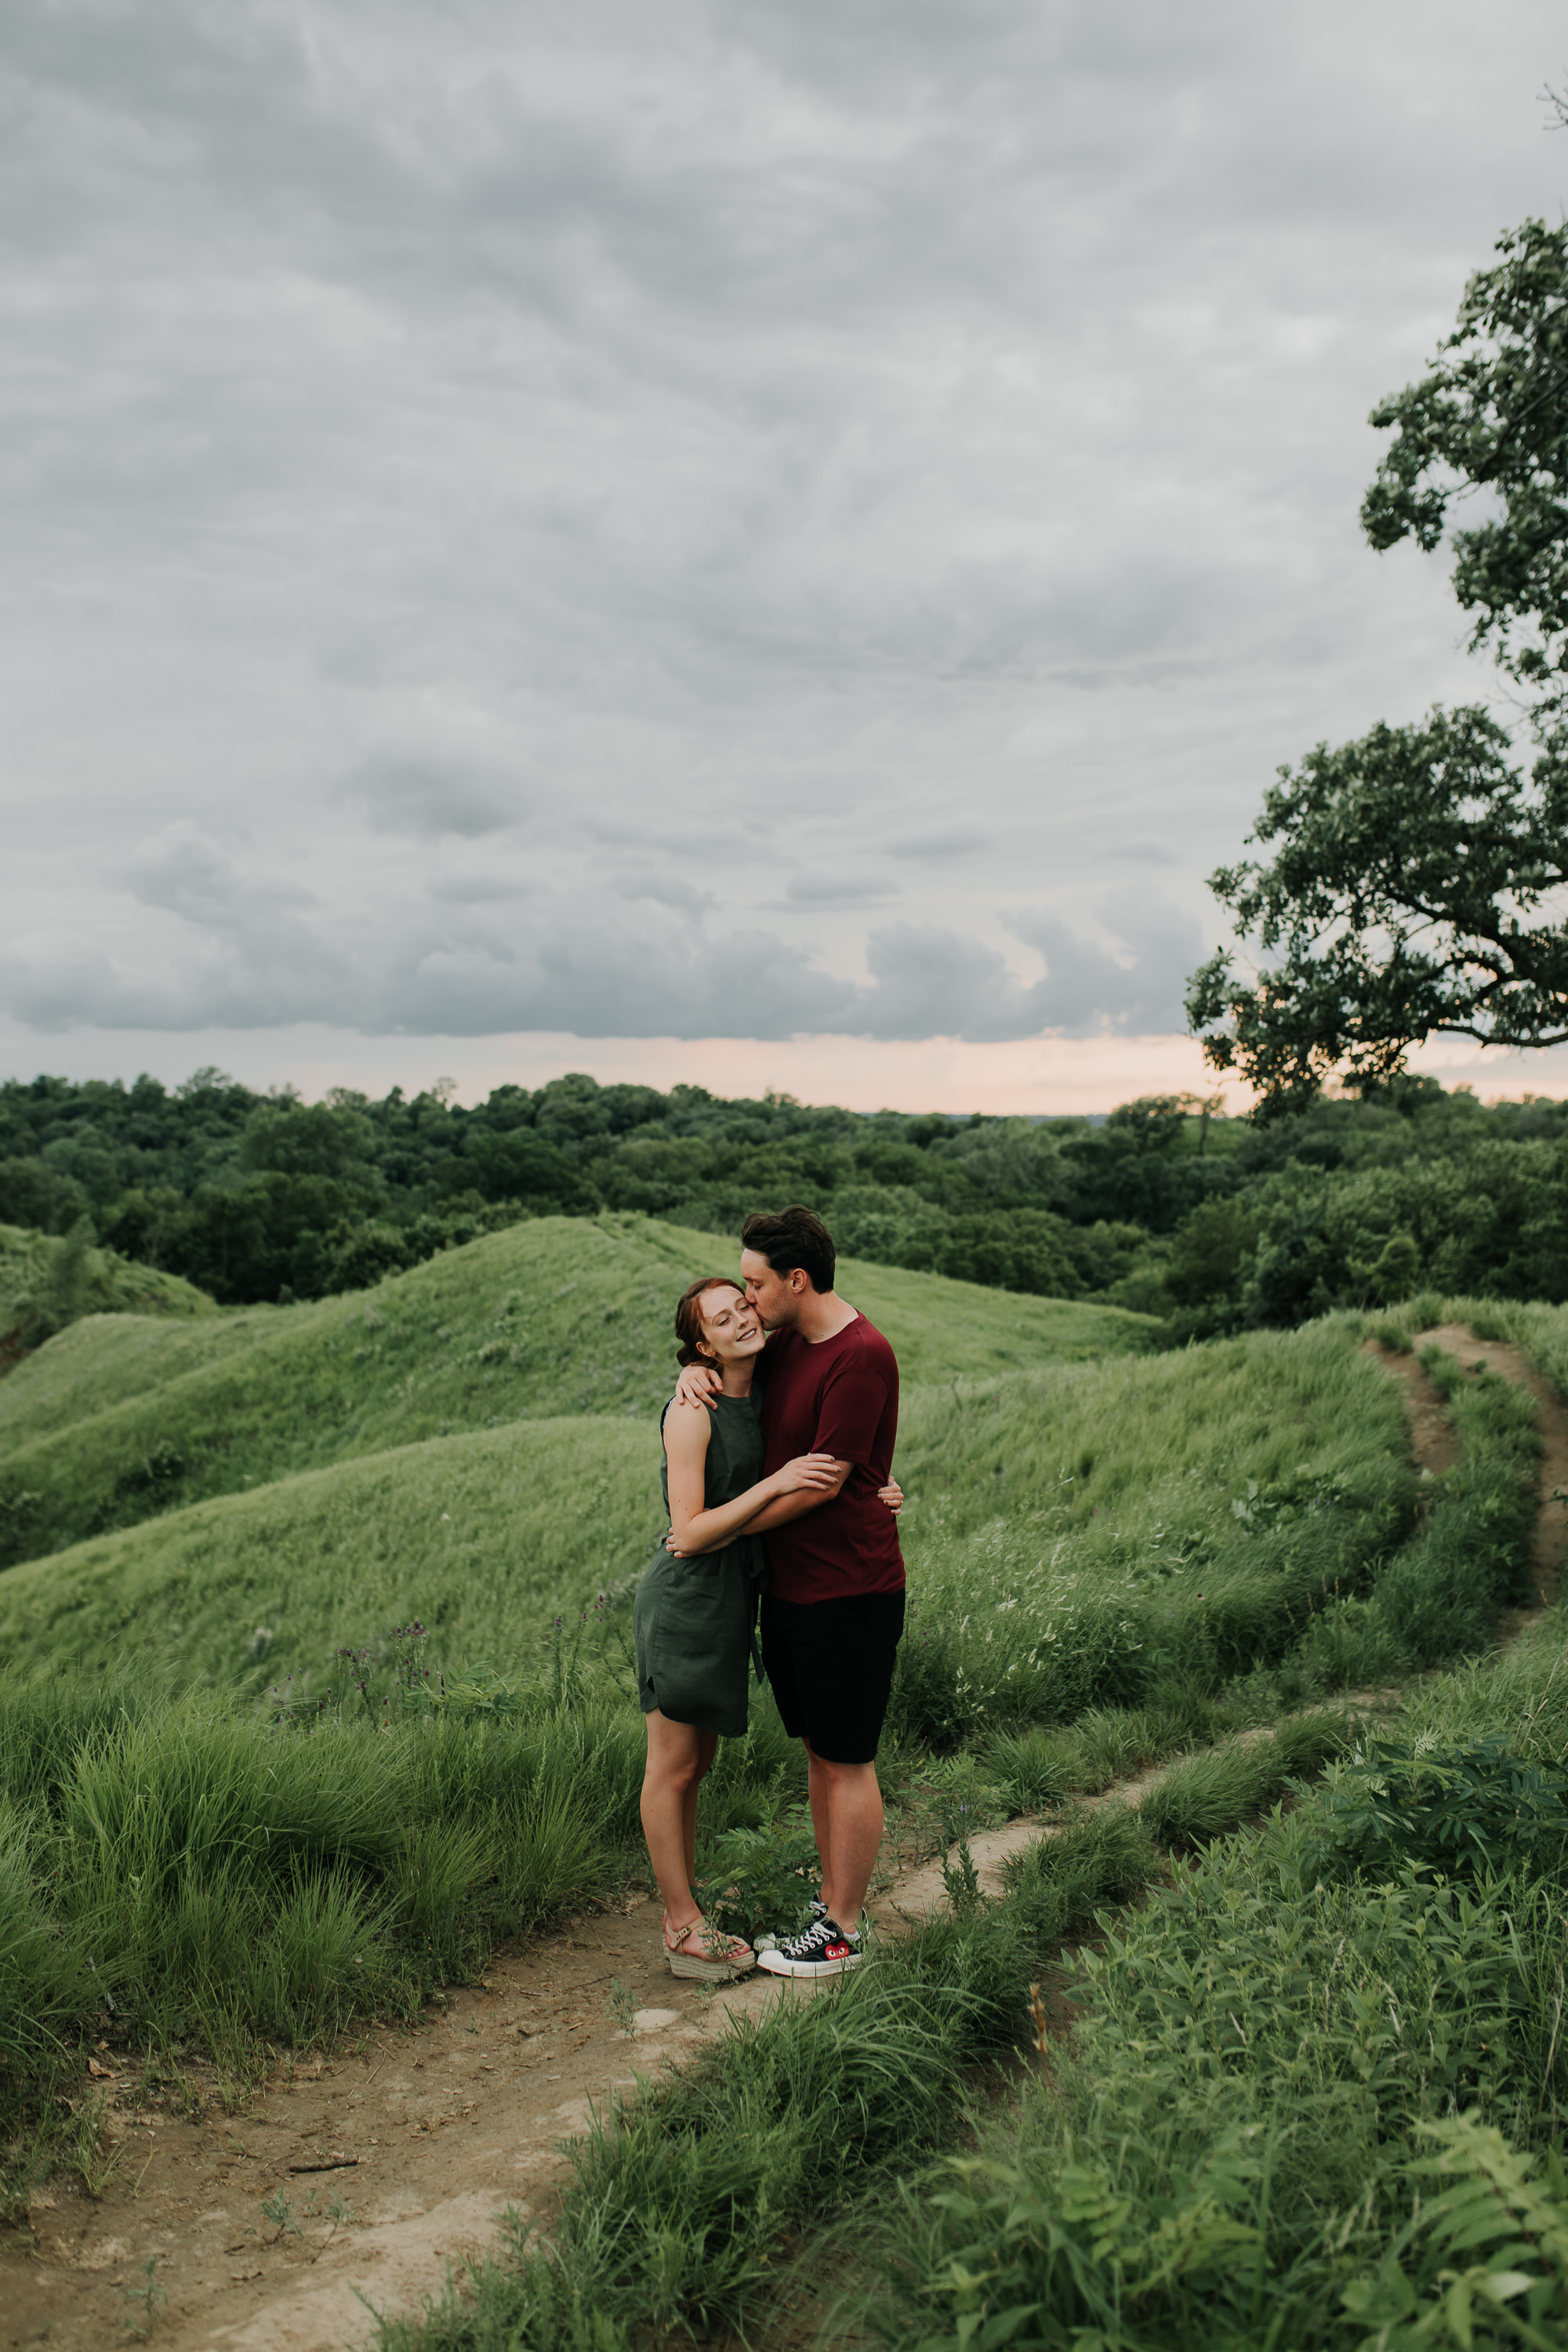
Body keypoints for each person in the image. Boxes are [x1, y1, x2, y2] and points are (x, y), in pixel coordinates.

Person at [635, 1273, 902, 1982]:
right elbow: (687, 1534)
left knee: (700, 1765)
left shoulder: (769, 1375)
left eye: (744, 1304)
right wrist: (778, 1482)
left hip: (737, 1598)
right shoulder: (693, 1409)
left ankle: (689, 1914)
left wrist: (877, 1489)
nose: (743, 1318)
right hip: (688, 1599)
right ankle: (680, 1924)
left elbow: (836, 1444)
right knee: (674, 1765)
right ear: (701, 1344)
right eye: (721, 1319)